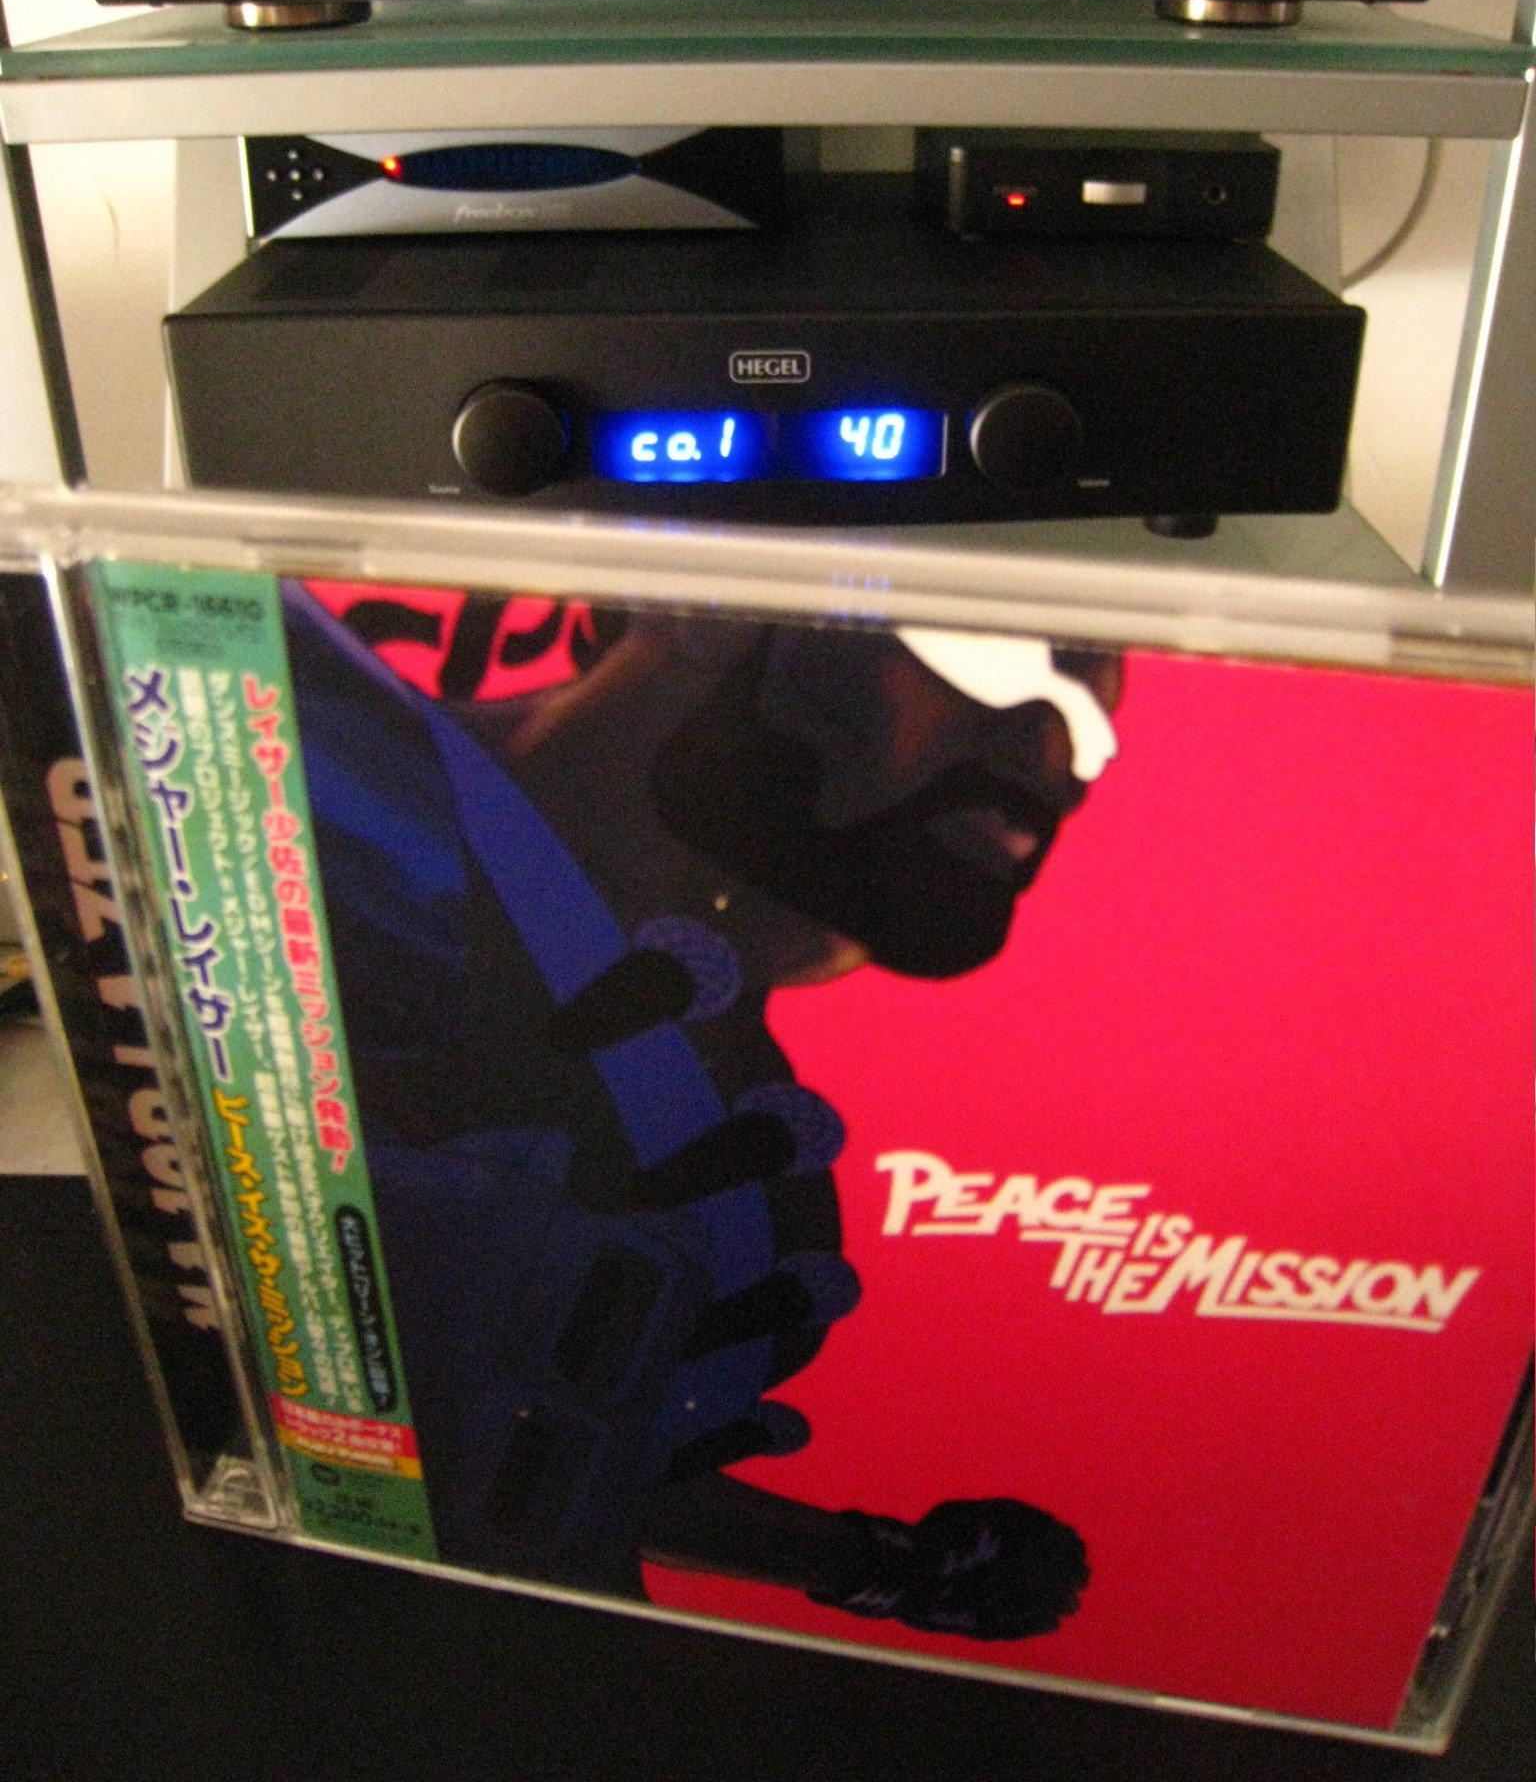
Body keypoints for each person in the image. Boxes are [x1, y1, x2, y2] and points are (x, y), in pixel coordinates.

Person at [282, 587, 1119, 1640]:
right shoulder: (312, 747)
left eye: (1093, 724)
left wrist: (880, 1565)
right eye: (995, 654)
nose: (1052, 756)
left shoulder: (758, 1203)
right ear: (697, 608)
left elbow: (583, 1476)